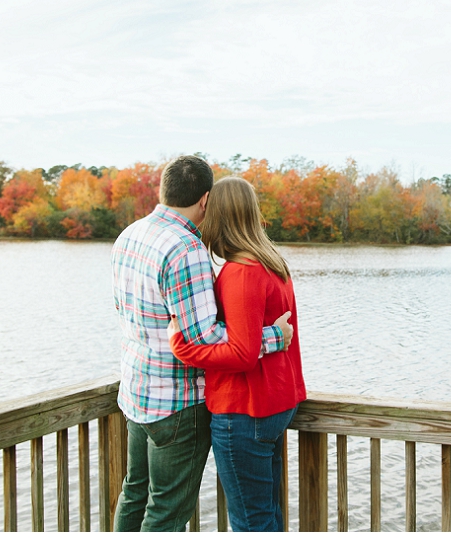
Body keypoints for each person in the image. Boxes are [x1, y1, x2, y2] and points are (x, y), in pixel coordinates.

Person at [110, 156, 293, 532]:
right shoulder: (186, 249)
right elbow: (207, 338)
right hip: (177, 403)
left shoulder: (129, 235)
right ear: (205, 200)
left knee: (134, 494)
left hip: (135, 392)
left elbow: (123, 310)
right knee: (167, 511)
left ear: (164, 189)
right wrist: (275, 335)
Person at [168, 176, 306, 533]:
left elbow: (243, 354)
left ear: (217, 214)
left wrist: (184, 348)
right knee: (267, 514)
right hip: (274, 404)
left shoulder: (241, 273)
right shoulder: (272, 264)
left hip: (244, 410)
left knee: (250, 522)